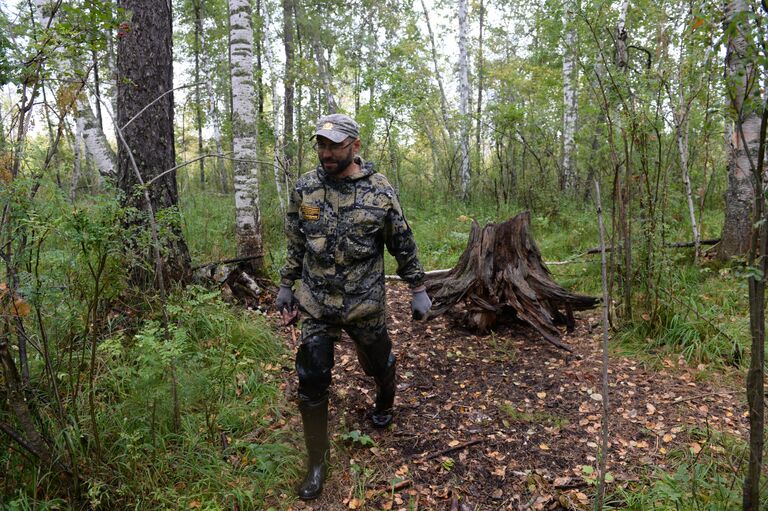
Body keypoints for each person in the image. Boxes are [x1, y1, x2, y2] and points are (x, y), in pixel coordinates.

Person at [276, 113, 432, 500]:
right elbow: (297, 241)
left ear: (355, 146)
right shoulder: (306, 189)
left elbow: (402, 241)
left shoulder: (379, 191)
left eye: (334, 145)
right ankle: (317, 462)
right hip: (316, 302)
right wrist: (285, 284)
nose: (326, 153)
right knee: (311, 377)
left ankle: (384, 399)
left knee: (377, 362)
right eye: (321, 145)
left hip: (365, 304)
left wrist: (417, 287)